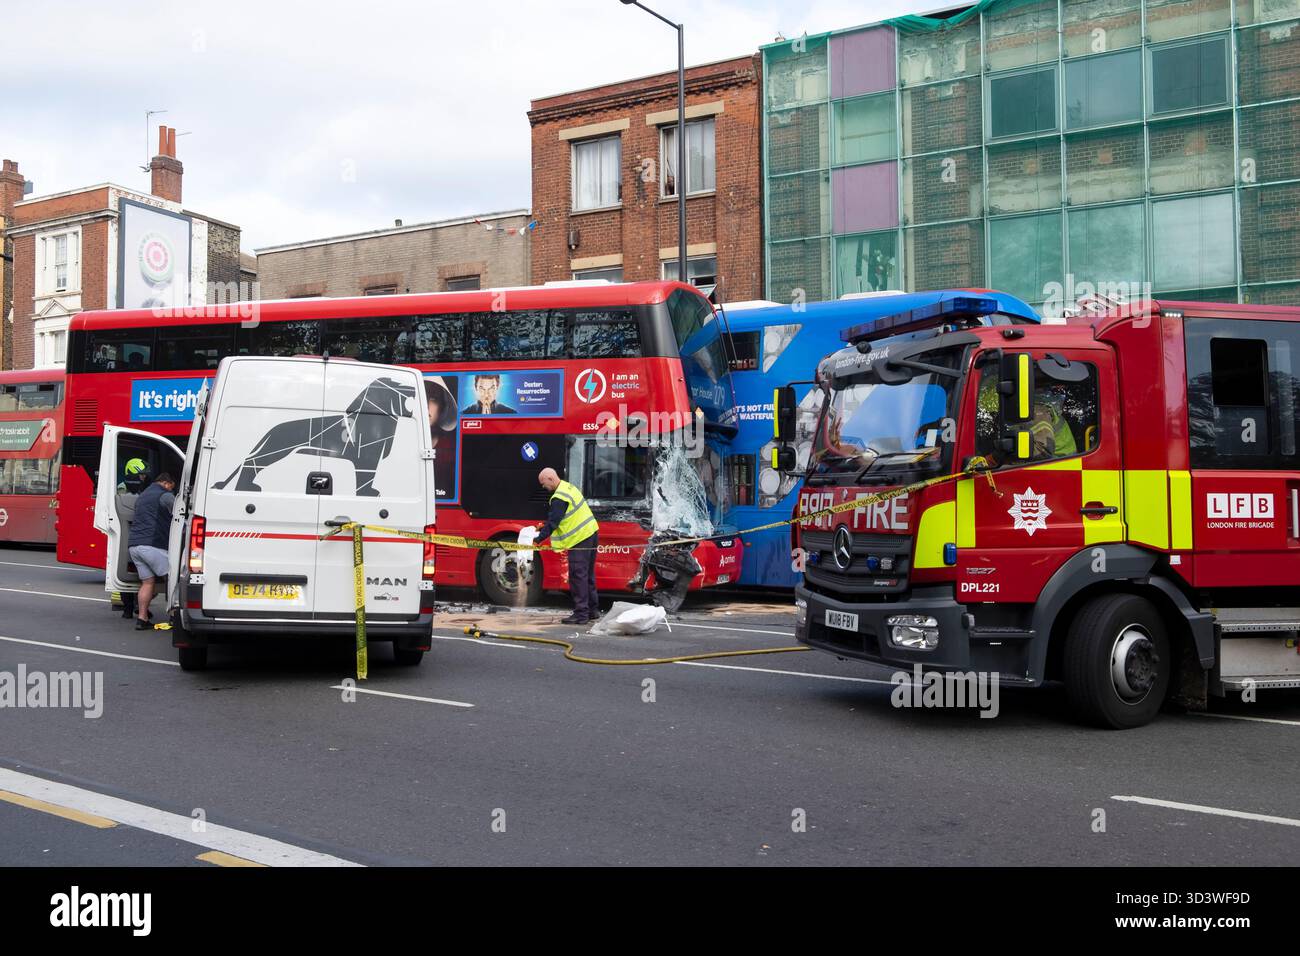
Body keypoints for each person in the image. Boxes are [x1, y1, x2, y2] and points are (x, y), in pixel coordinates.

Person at [535, 467, 599, 624]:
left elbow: (555, 523)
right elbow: (563, 517)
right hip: (591, 533)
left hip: (580, 539)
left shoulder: (558, 497)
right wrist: (545, 525)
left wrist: (537, 539)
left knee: (578, 577)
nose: (544, 487)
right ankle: (592, 610)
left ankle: (581, 614)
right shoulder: (568, 487)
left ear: (550, 478)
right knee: (587, 575)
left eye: (544, 484)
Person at [127, 472, 176, 631]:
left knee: (147, 583)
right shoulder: (165, 495)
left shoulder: (143, 495)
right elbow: (180, 514)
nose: (171, 490)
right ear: (167, 483)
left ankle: (142, 619)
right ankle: (174, 617)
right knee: (171, 578)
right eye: (171, 487)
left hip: (134, 545)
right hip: (152, 544)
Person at [424, 376, 459, 500]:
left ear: (443, 407)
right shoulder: (397, 445)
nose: (426, 404)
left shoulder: (452, 450)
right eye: (421, 395)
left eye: (433, 398)